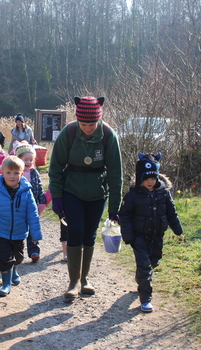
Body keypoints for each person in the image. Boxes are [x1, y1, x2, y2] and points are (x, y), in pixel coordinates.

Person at [48, 96, 123, 301]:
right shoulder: (69, 133)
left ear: (98, 120)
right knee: (75, 232)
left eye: (92, 124)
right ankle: (73, 282)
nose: (88, 128)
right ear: (77, 120)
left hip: (97, 193)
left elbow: (116, 174)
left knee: (89, 235)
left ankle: (85, 279)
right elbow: (55, 168)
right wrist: (57, 198)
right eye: (84, 124)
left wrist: (114, 208)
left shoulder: (108, 136)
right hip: (71, 190)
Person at [118, 153, 183, 313]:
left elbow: (171, 213)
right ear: (140, 178)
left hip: (157, 236)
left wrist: (178, 230)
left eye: (153, 178)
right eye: (147, 179)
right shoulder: (132, 195)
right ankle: (145, 299)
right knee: (145, 267)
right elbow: (124, 216)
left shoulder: (164, 193)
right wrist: (128, 236)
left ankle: (141, 279)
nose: (150, 182)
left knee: (154, 261)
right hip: (139, 237)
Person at [0, 156, 43, 297]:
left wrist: (35, 235)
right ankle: (6, 284)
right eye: (8, 172)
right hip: (1, 232)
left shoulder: (27, 192)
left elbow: (32, 215)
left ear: (21, 174)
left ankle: (15, 269)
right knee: (4, 258)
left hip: (19, 232)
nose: (12, 176)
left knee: (18, 257)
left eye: (16, 173)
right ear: (2, 173)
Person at [15, 142, 47, 262]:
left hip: (32, 206)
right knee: (18, 228)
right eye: (25, 160)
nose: (28, 162)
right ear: (18, 160)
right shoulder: (14, 173)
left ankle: (34, 250)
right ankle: (17, 250)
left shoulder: (34, 173)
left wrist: (42, 202)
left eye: (30, 160)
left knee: (33, 227)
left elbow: (39, 187)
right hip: (17, 207)